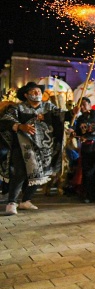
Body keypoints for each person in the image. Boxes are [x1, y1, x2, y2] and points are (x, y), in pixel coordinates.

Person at [0, 82, 77, 214]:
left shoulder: (48, 106)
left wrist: (72, 113)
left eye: (39, 92)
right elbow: (5, 121)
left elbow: (61, 115)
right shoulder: (18, 108)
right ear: (26, 95)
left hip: (44, 147)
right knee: (20, 174)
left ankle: (26, 201)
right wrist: (20, 126)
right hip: (22, 146)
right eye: (34, 92)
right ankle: (12, 203)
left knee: (40, 174)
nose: (38, 94)